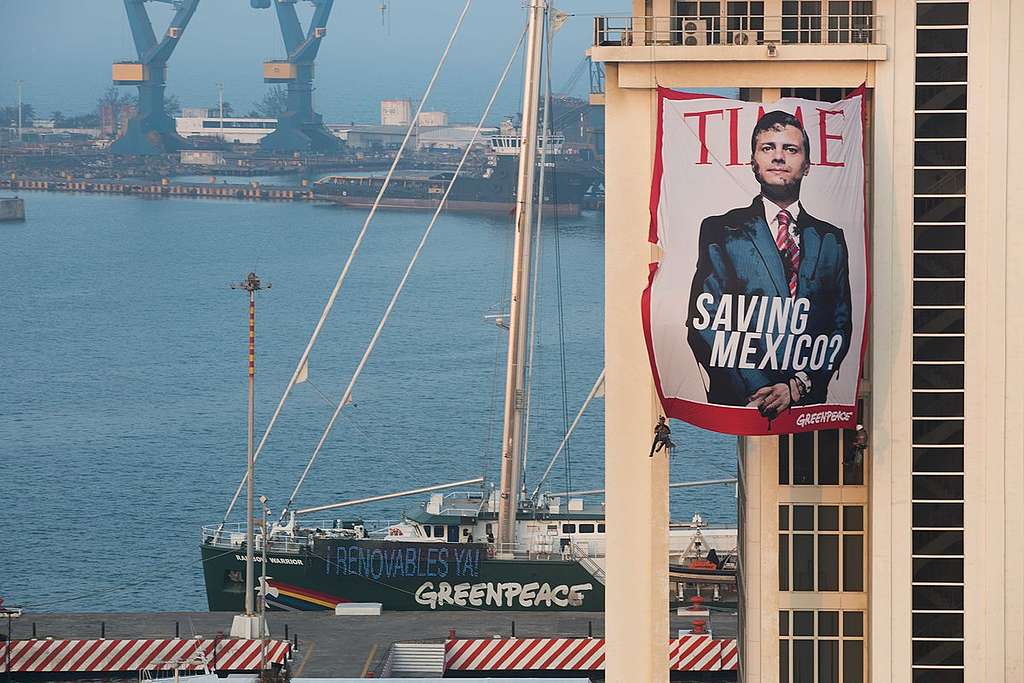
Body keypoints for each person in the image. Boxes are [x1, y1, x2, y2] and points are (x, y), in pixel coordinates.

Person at [686, 110, 853, 414]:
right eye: (768, 148)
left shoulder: (831, 239)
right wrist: (759, 389)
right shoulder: (721, 231)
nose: (778, 157)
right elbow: (704, 322)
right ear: (753, 164)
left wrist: (797, 386)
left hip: (807, 401)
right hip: (742, 400)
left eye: (790, 149)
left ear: (807, 166)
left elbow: (839, 326)